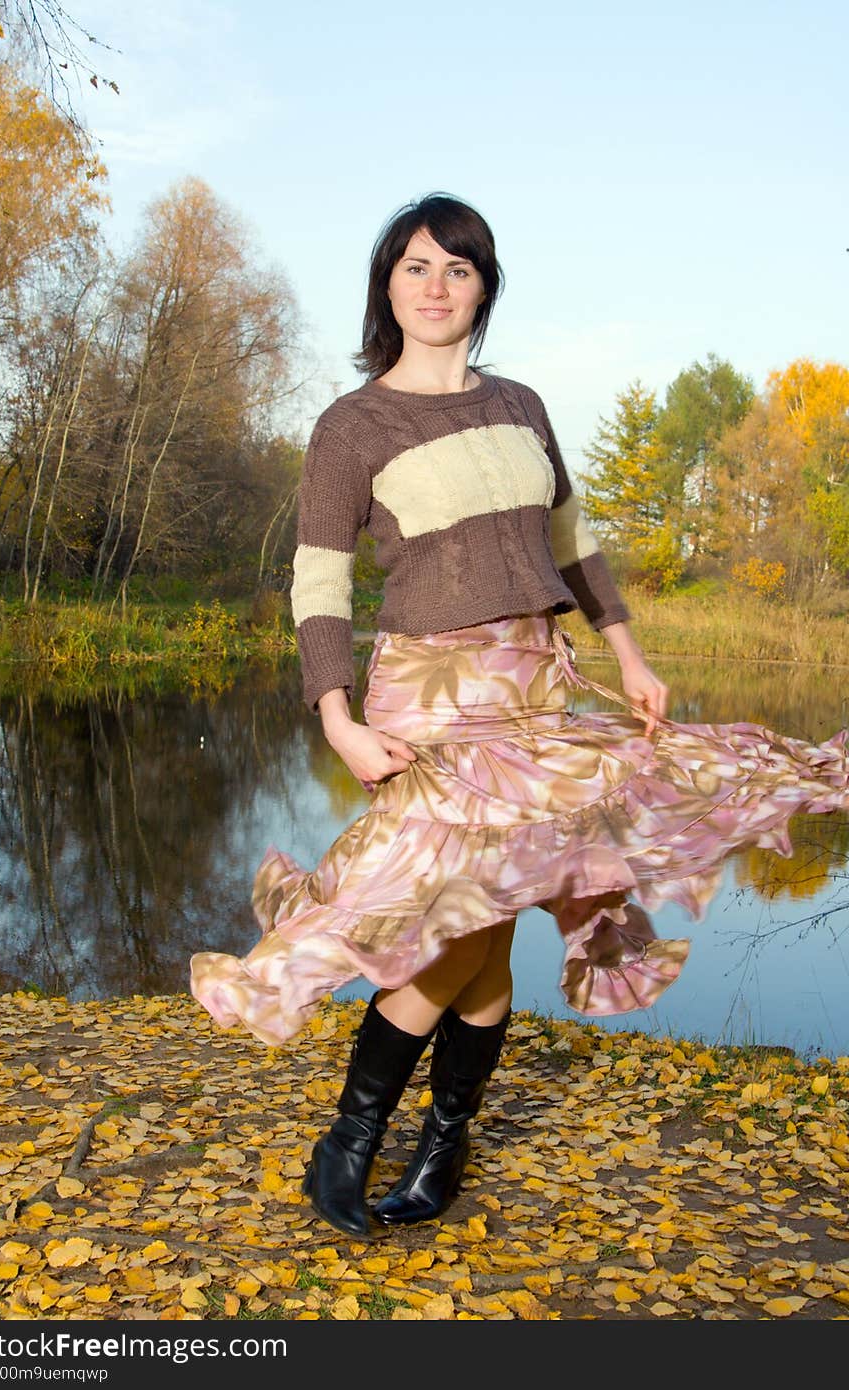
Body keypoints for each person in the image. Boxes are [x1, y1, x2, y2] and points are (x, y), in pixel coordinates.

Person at [190, 192, 849, 1240]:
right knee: (445, 919)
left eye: (457, 268)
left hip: (539, 684)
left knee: (490, 934)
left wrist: (627, 650)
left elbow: (573, 540)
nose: (436, 286)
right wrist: (336, 716)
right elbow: (318, 585)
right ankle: (350, 1141)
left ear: (485, 285)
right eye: (415, 267)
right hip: (432, 700)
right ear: (386, 287)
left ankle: (443, 1143)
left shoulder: (524, 405)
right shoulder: (352, 425)